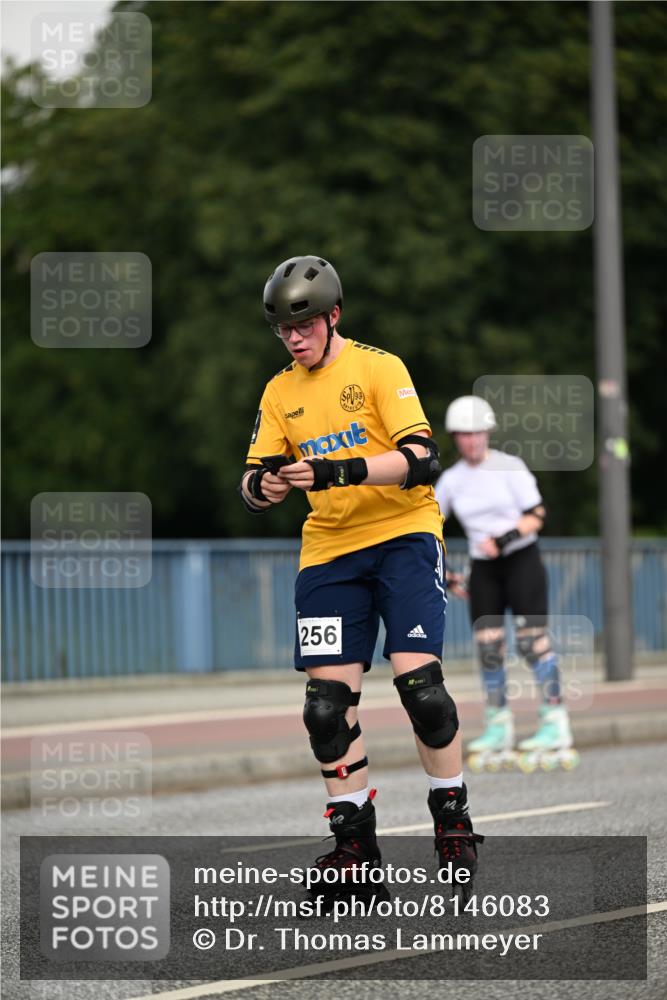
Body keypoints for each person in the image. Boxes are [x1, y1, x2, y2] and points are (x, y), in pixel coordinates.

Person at [239, 255, 483, 891]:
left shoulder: (379, 367)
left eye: (306, 325)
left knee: (421, 690)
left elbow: (422, 459)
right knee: (325, 709)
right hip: (328, 551)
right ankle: (355, 847)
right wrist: (264, 485)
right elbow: (251, 480)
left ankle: (451, 817)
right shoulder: (278, 391)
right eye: (284, 330)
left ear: (333, 316)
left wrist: (333, 471)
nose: (295, 339)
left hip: (403, 535)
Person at [434, 395, 574, 768]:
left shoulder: (510, 466)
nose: (472, 441)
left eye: (478, 433)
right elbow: (430, 527)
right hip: (485, 570)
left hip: (521, 560)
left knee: (532, 644)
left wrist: (503, 540)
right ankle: (499, 726)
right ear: (455, 437)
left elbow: (536, 515)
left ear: (488, 433)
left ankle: (554, 722)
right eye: (464, 434)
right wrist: (444, 573)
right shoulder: (450, 480)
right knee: (490, 649)